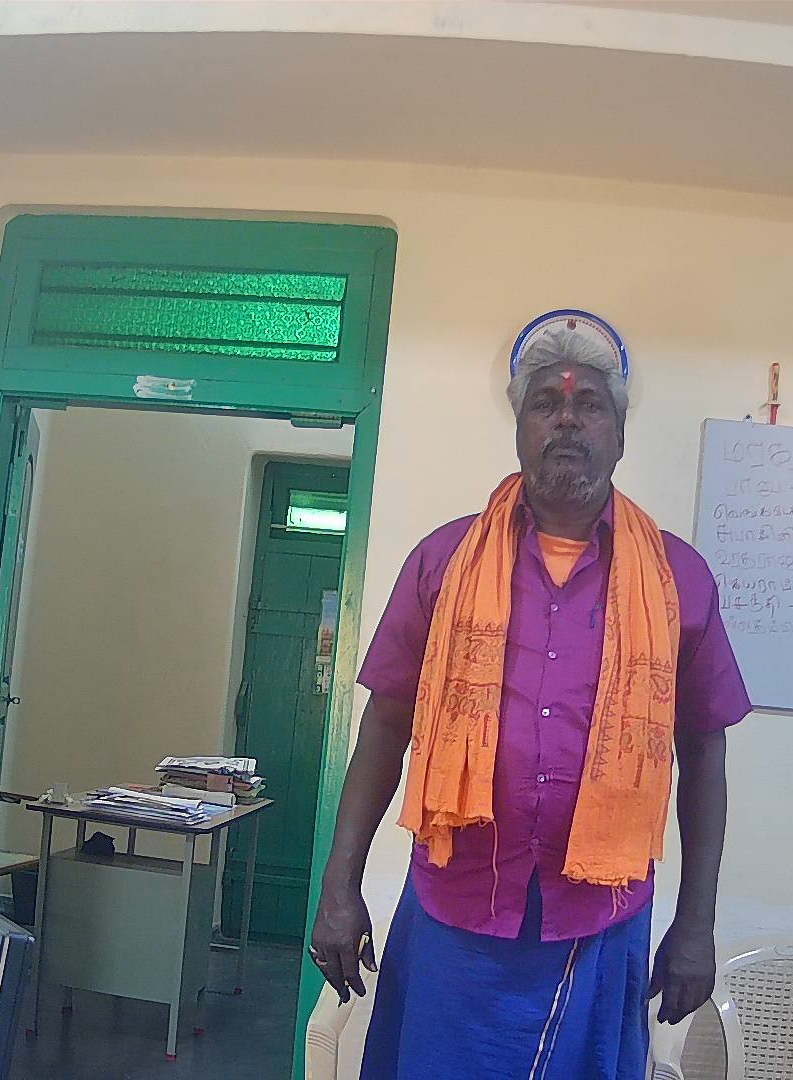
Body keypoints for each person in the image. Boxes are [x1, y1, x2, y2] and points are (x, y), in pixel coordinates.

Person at [309, 327, 752, 1079]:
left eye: (591, 407)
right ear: (520, 430)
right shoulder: (444, 562)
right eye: (546, 403)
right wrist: (338, 887)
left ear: (619, 436)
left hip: (599, 918)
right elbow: (384, 724)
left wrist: (696, 924)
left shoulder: (678, 579)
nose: (568, 418)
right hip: (457, 905)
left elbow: (705, 752)